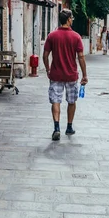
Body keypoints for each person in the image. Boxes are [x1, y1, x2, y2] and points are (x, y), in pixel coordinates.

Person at [43, 9, 88, 141]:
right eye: (72, 18)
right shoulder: (76, 37)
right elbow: (80, 57)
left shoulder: (52, 36)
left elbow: (45, 55)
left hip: (55, 74)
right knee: (71, 101)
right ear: (68, 19)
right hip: (71, 75)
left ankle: (56, 127)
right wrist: (85, 75)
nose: (72, 20)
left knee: (55, 101)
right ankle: (69, 127)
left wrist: (47, 69)